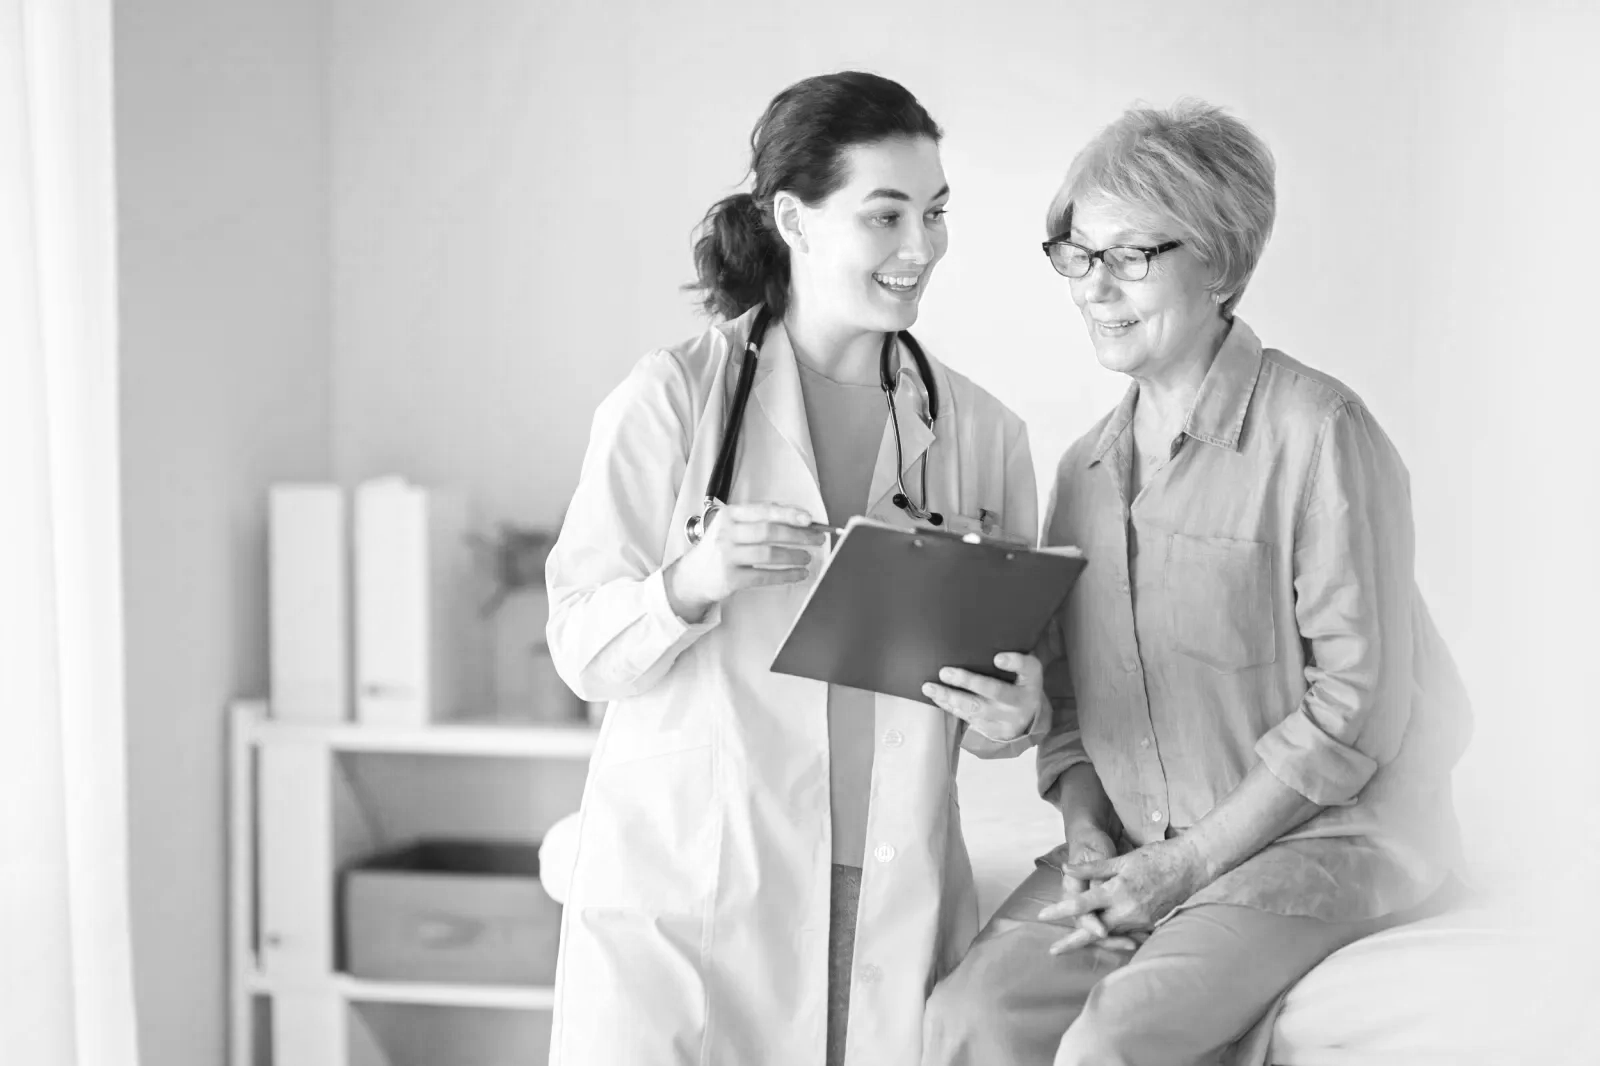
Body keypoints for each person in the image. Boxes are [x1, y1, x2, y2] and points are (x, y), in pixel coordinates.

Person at [922, 100, 1473, 1066]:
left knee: (1117, 1039)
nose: (1096, 287)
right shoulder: (1084, 471)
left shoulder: (1320, 432)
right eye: (1076, 254)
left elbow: (1358, 713)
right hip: (1139, 844)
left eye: (1131, 255)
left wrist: (1179, 869)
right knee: (964, 1018)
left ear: (1220, 262)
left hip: (1311, 845)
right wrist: (1093, 844)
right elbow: (1071, 713)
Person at [544, 71, 1048, 1066]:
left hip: (888, 886)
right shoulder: (671, 402)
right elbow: (580, 650)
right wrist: (688, 583)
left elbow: (1010, 697)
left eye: (935, 213)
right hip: (702, 888)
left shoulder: (981, 432)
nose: (921, 248)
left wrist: (1019, 713)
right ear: (794, 219)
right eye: (886, 214)